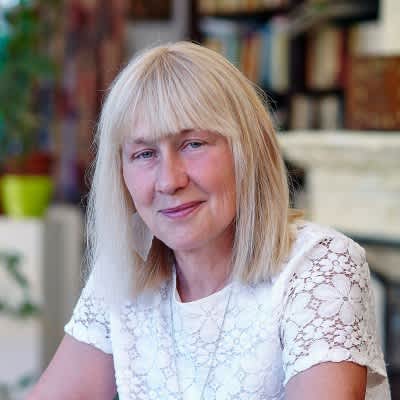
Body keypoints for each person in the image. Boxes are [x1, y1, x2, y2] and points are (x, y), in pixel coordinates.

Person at [27, 41, 390, 400]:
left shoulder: (319, 265)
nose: (169, 181)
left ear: (247, 151)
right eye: (145, 153)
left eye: (193, 144)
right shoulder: (125, 270)